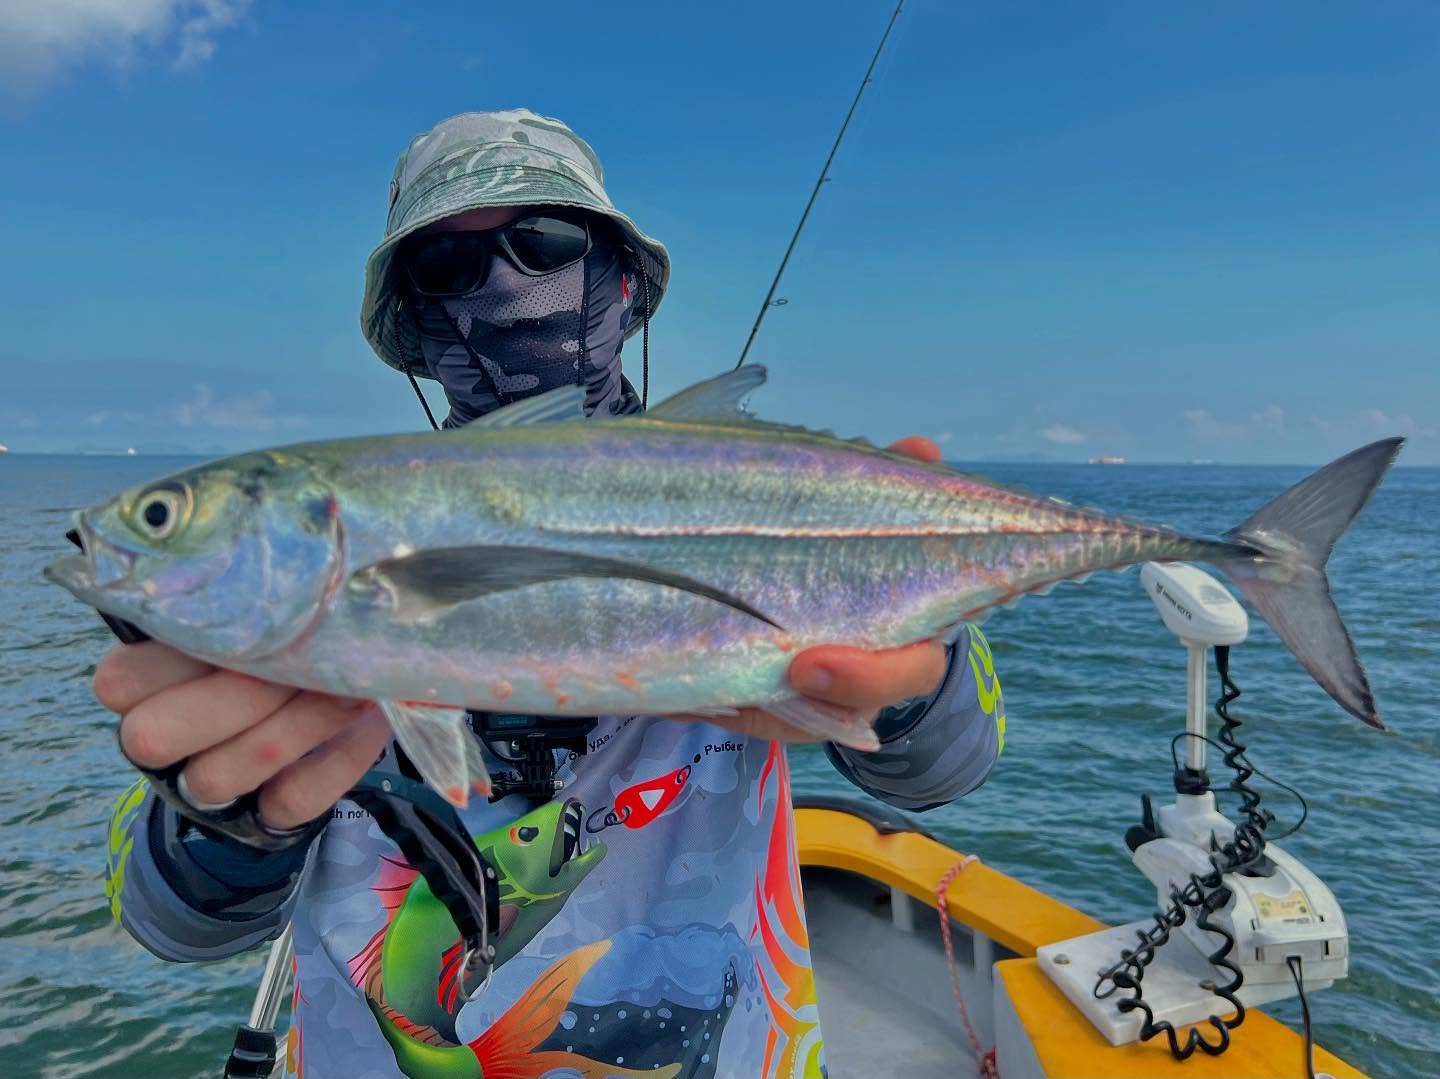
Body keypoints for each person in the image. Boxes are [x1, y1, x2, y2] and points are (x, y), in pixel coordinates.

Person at [96, 109, 1006, 1079]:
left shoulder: (764, 498)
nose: (502, 283)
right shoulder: (310, 568)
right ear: (415, 326)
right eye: (447, 266)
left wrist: (908, 674)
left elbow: (952, 766)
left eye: (546, 242)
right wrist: (234, 818)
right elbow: (173, 922)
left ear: (620, 279)